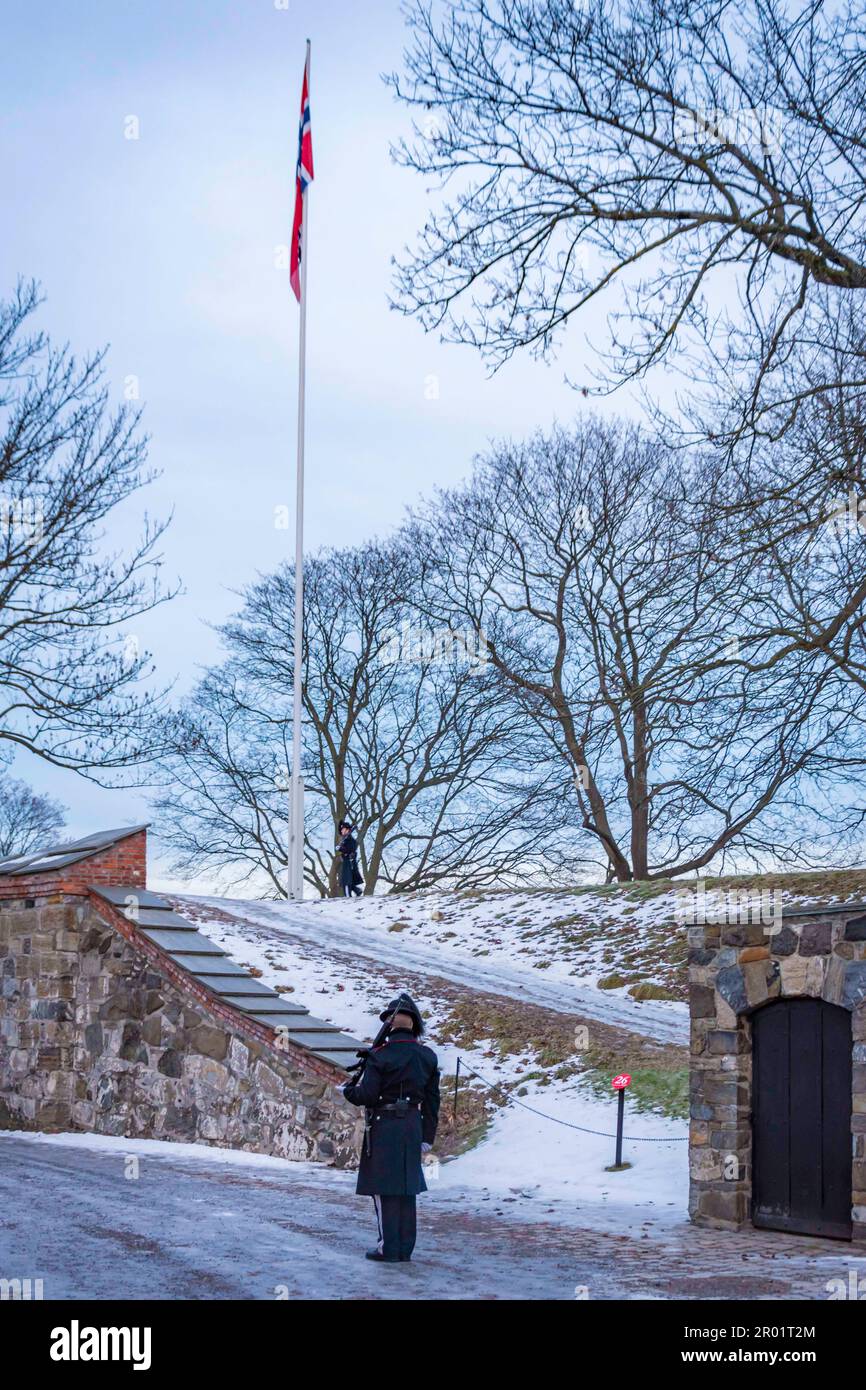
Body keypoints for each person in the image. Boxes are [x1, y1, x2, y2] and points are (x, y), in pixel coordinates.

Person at [342, 992, 440, 1263]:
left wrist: (348, 1091)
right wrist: (427, 1136)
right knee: (407, 1189)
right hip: (412, 1126)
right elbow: (433, 1102)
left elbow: (369, 1095)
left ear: (389, 1025)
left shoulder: (380, 1055)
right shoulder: (427, 1056)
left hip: (385, 1125)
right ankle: (404, 1248)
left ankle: (388, 1247)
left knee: (384, 1189)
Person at [336, 819, 363, 898]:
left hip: (349, 861)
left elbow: (350, 850)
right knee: (347, 880)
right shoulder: (345, 839)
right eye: (342, 830)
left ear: (348, 830)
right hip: (346, 861)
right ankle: (357, 890)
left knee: (346, 881)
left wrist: (340, 849)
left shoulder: (351, 840)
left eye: (343, 829)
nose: (342, 831)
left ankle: (349, 895)